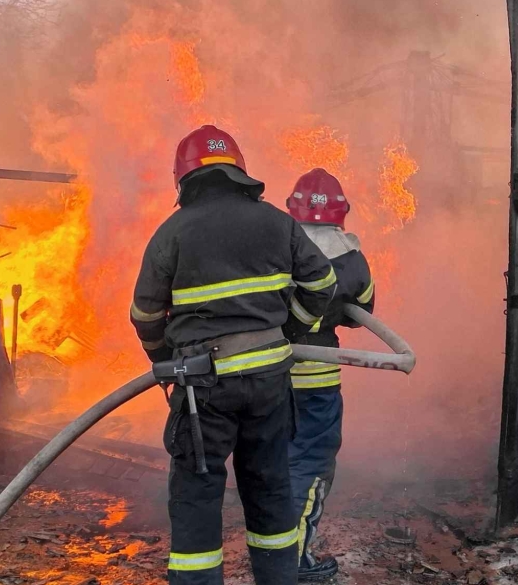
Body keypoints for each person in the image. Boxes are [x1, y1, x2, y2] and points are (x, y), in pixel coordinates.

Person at [129, 126, 337, 585]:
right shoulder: (276, 221)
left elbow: (144, 315)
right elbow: (322, 285)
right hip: (269, 384)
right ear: (239, 172)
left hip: (204, 388)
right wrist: (288, 328)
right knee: (269, 488)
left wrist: (165, 361)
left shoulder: (172, 232)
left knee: (198, 495)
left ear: (184, 180)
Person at [282, 168, 376, 581]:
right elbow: (364, 312)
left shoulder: (273, 243)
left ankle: (270, 552)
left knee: (270, 464)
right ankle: (293, 562)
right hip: (315, 385)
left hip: (265, 379)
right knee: (309, 466)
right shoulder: (349, 255)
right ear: (341, 212)